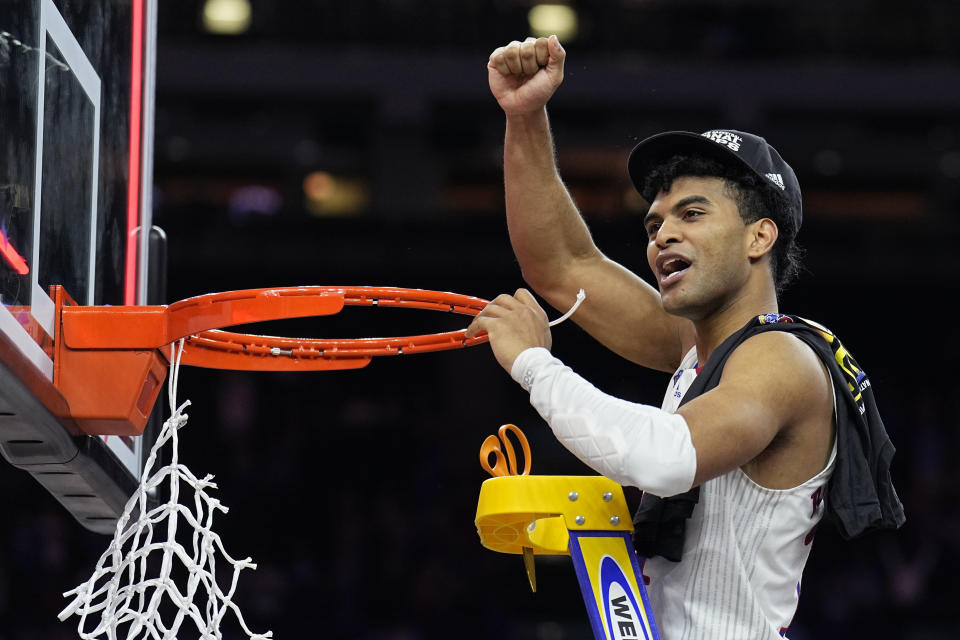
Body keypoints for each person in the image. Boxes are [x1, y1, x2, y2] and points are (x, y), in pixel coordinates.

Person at [465, 35, 903, 639]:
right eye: (655, 222)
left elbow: (666, 459)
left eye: (692, 215)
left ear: (759, 238)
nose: (662, 235)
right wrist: (524, 116)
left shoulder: (782, 359)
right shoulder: (699, 348)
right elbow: (560, 265)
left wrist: (534, 364)